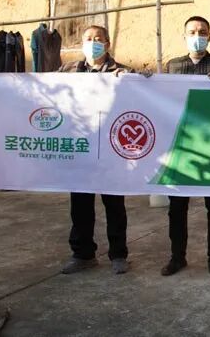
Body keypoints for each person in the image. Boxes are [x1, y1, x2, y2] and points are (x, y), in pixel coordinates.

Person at [160, 16, 210, 277]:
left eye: (202, 32)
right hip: (181, 146)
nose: (197, 36)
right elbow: (160, 97)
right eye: (192, 32)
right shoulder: (172, 66)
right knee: (177, 206)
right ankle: (177, 256)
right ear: (184, 36)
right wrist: (147, 80)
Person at [58, 25, 132, 275]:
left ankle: (118, 255)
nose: (93, 43)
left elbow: (142, 95)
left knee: (114, 204)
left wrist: (133, 80)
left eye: (98, 39)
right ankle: (83, 254)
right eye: (88, 39)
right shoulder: (68, 71)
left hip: (111, 149)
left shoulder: (121, 72)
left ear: (107, 43)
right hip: (80, 148)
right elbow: (44, 89)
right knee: (80, 205)